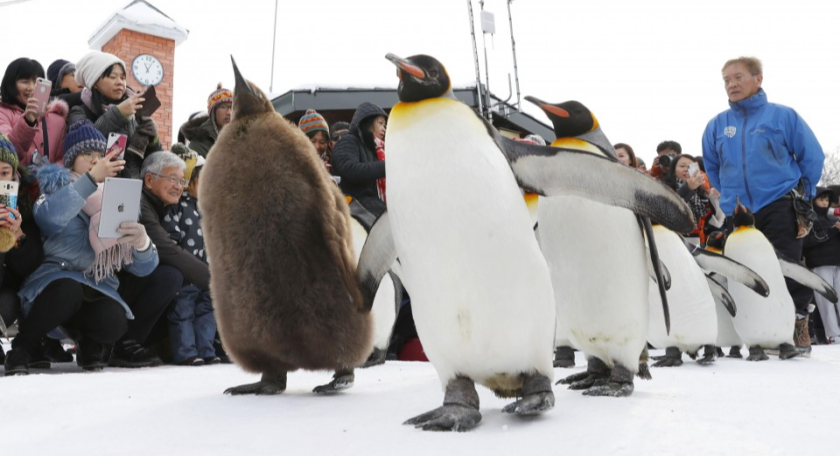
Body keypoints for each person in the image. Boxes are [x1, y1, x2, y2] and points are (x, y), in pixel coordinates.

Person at [4, 121, 162, 376]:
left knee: (114, 319)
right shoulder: (55, 187)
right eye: (87, 154)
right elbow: (50, 218)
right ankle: (22, 347)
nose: (95, 160)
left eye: (100, 155)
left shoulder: (116, 198)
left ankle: (90, 345)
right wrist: (89, 180)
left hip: (97, 283)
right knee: (67, 291)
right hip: (55, 282)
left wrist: (142, 243)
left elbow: (142, 269)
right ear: (71, 159)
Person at [702, 56, 825, 356]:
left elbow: (812, 158)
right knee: (744, 271)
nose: (731, 84)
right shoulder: (717, 125)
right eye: (726, 80)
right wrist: (731, 195)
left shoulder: (783, 116)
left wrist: (803, 197)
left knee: (787, 266)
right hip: (738, 212)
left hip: (780, 204)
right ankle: (752, 332)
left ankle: (798, 322)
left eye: (738, 77)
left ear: (758, 79)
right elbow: (713, 167)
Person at [159, 150, 218, 366]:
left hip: (208, 272)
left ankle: (206, 349)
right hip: (186, 273)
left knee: (207, 310)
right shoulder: (177, 204)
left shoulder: (209, 208)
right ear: (190, 181)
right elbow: (170, 233)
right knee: (183, 310)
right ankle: (186, 352)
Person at [65, 51, 161, 178]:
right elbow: (83, 139)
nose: (119, 82)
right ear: (95, 83)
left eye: (122, 78)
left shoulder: (135, 112)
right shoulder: (79, 111)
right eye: (112, 77)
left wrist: (153, 139)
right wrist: (119, 113)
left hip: (132, 189)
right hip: (94, 187)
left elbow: (155, 160)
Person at [0, 58, 68, 167]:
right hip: (16, 183)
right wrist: (28, 121)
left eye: (37, 82)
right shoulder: (2, 113)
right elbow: (6, 154)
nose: (31, 88)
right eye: (24, 82)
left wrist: (50, 178)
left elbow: (63, 159)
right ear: (10, 84)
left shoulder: (58, 120)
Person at [331, 102, 388, 217]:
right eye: (380, 123)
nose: (384, 129)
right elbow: (350, 169)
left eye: (385, 126)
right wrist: (387, 166)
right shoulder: (349, 140)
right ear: (368, 121)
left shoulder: (374, 149)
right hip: (353, 205)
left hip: (369, 204)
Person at [803, 187, 840, 344]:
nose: (824, 203)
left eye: (826, 200)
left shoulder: (833, 220)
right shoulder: (809, 220)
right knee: (826, 302)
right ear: (813, 200)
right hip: (819, 264)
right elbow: (807, 242)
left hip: (837, 263)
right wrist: (831, 232)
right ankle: (833, 335)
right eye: (821, 199)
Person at [663, 154, 722, 242]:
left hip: (697, 243)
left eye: (691, 166)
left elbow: (714, 222)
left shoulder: (701, 191)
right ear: (673, 170)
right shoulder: (664, 187)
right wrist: (688, 188)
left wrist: (715, 199)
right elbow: (669, 209)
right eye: (682, 166)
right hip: (672, 240)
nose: (686, 169)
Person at [179, 84, 232, 157]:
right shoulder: (199, 144)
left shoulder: (242, 138)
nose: (229, 112)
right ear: (213, 112)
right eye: (223, 107)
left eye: (232, 107)